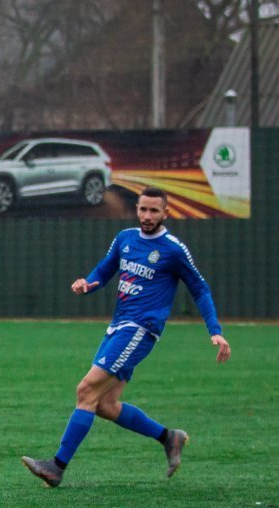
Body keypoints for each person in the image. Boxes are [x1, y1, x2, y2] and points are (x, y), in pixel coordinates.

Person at [21, 186, 231, 487]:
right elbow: (104, 271)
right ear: (137, 209)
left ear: (166, 213)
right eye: (143, 209)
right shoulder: (125, 238)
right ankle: (168, 437)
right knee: (105, 405)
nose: (147, 216)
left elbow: (200, 289)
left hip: (140, 329)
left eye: (154, 211)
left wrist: (215, 331)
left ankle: (56, 467)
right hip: (118, 327)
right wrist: (87, 284)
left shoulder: (173, 249)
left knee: (86, 390)